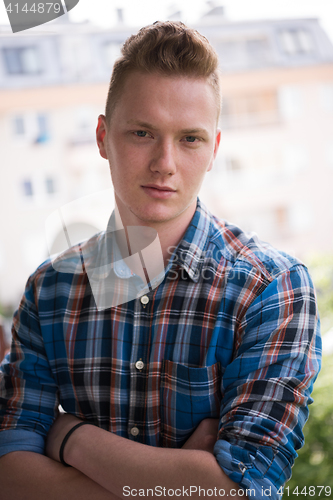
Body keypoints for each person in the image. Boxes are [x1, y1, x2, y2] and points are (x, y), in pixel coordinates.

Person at [0, 21, 321, 500]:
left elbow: (238, 489)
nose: (164, 162)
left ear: (213, 149)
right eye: (143, 132)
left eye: (189, 139)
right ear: (103, 137)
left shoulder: (271, 288)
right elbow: (9, 476)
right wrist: (178, 481)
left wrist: (68, 437)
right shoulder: (50, 291)